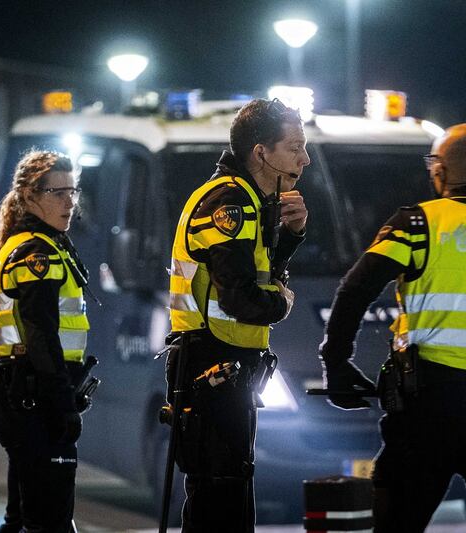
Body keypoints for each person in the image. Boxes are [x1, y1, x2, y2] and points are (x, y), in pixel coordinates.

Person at [319, 123, 466, 532]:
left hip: (427, 406)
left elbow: (357, 287)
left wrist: (337, 361)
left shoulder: (415, 225)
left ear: (439, 171)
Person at [166, 97, 309, 531]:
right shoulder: (230, 202)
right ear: (261, 152)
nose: (305, 158)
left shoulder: (249, 198)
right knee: (218, 499)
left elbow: (256, 274)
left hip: (226, 367)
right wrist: (281, 305)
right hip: (210, 363)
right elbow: (240, 298)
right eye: (295, 147)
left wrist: (291, 236)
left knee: (229, 492)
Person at [0, 150, 92, 532]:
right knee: (50, 524)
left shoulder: (37, 243)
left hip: (26, 398)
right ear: (30, 197)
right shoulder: (37, 252)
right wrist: (62, 404)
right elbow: (41, 334)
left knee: (23, 520)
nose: (69, 202)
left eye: (73, 191)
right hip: (37, 400)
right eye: (57, 193)